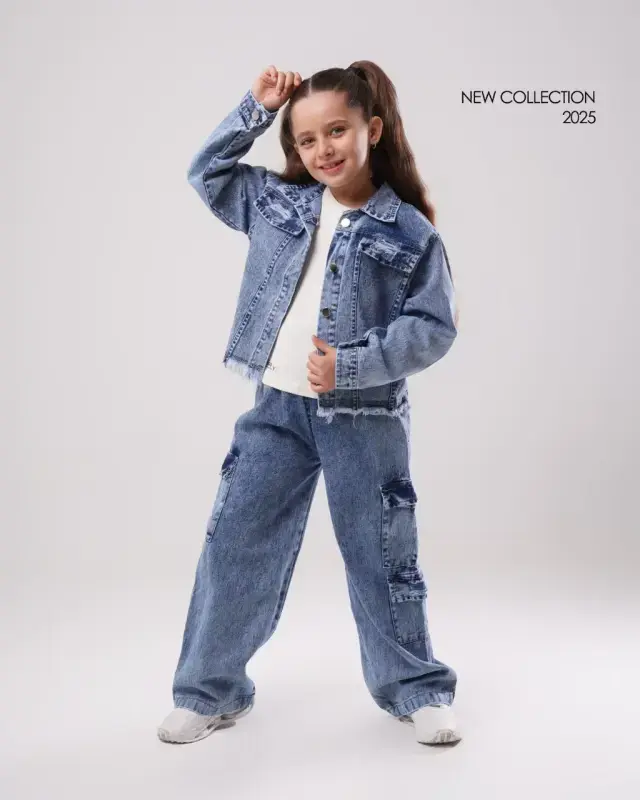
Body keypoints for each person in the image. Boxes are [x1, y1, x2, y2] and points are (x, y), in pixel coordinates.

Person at [157, 62, 461, 747]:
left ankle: (416, 690)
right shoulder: (279, 204)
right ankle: (209, 691)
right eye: (306, 139)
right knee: (235, 546)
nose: (323, 149)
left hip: (365, 419)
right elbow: (207, 173)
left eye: (337, 131)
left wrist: (351, 365)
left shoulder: (409, 232)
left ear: (371, 130)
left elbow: (434, 327)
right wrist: (255, 109)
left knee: (381, 556)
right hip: (275, 413)